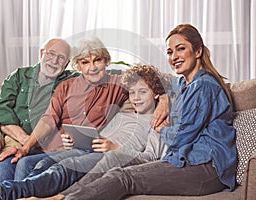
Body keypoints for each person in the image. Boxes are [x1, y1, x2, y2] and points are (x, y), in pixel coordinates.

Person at [52, 24, 237, 199]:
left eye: (181, 49)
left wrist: (161, 129)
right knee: (114, 165)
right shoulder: (183, 83)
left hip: (205, 169)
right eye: (170, 52)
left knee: (122, 178)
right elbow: (157, 80)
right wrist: (163, 98)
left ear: (198, 51)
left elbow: (181, 137)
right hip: (185, 161)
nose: (174, 57)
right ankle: (61, 196)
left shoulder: (203, 86)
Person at [0, 64, 168, 200]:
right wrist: (83, 139)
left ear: (157, 94)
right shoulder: (126, 111)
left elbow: (152, 156)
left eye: (143, 93)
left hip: (112, 157)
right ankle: (9, 193)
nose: (136, 98)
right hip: (94, 150)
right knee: (40, 163)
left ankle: (3, 192)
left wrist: (116, 148)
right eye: (132, 92)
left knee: (62, 168)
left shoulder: (158, 120)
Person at [0, 38, 78, 200]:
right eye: (51, 54)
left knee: (11, 159)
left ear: (67, 63)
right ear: (42, 53)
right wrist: (27, 140)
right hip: (4, 129)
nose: (54, 61)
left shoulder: (70, 81)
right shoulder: (20, 75)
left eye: (61, 58)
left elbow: (95, 75)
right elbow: (0, 111)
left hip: (33, 135)